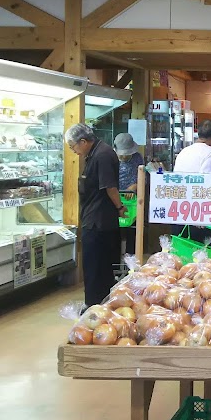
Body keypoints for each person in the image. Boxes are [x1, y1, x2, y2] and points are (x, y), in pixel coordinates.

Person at [65, 123, 125, 306]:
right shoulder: (95, 153)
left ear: (83, 141)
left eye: (73, 147)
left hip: (100, 223)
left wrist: (120, 207)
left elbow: (110, 187)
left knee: (97, 267)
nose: (73, 151)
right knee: (96, 267)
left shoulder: (103, 155)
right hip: (95, 219)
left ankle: (96, 306)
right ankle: (98, 304)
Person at [173, 120, 211, 243]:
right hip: (197, 213)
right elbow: (206, 182)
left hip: (178, 209)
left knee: (181, 253)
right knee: (201, 256)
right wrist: (202, 217)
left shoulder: (184, 151)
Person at [114, 133, 145, 255]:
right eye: (121, 155)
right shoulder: (109, 157)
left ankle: (131, 262)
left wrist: (134, 187)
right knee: (115, 232)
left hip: (132, 201)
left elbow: (143, 178)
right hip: (115, 199)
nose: (124, 157)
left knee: (132, 231)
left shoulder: (138, 158)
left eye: (127, 154)